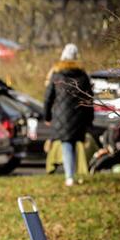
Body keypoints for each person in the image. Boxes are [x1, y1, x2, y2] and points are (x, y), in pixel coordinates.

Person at [44, 43, 94, 187]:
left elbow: (48, 97)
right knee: (73, 144)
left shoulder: (57, 74)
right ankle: (71, 174)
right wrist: (89, 120)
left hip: (62, 116)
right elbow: (89, 99)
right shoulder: (83, 75)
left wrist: (47, 116)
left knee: (67, 145)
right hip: (79, 116)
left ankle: (69, 176)